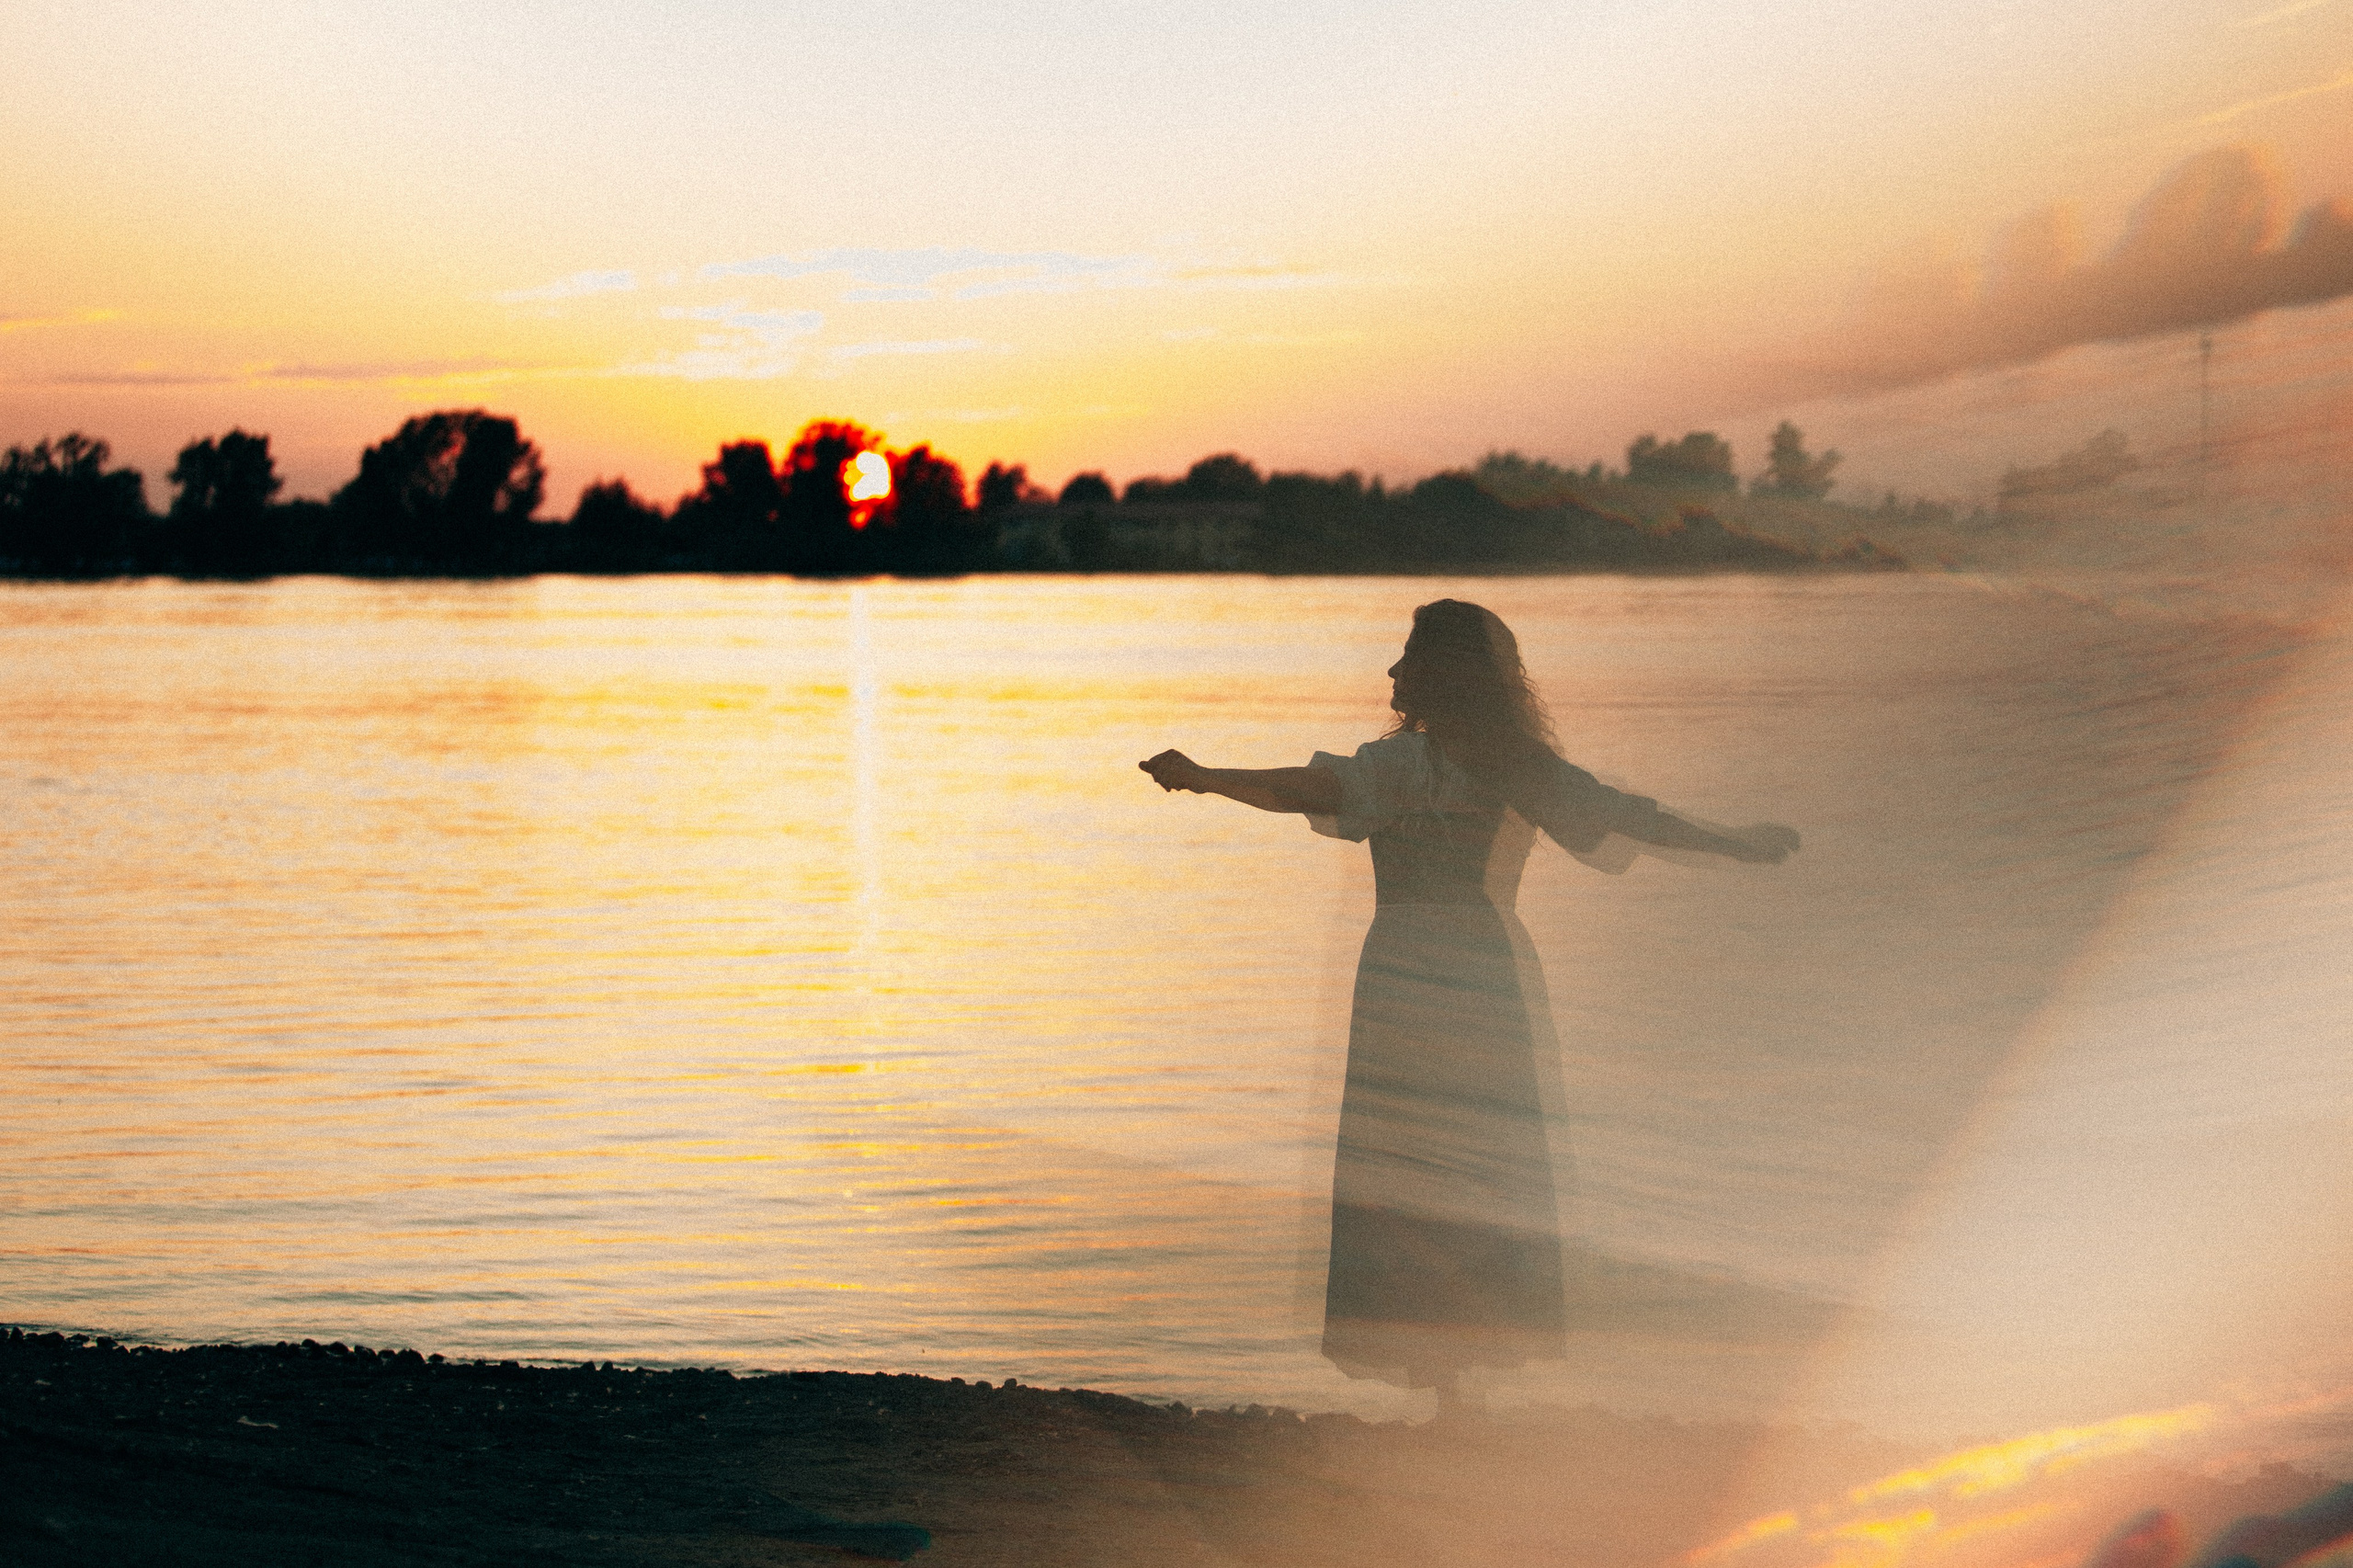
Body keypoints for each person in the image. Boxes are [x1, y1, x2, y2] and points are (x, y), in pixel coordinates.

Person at [1140, 598, 1795, 1415]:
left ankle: (1446, 1374)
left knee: (1411, 1149)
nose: (1393, 671)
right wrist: (1733, 841)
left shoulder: (1405, 767)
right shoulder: (1508, 765)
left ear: (1442, 671)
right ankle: (1466, 1369)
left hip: (1409, 967)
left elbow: (1301, 787)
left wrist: (1205, 777)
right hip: (1483, 969)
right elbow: (1630, 819)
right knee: (1483, 1151)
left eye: (1408, 655)